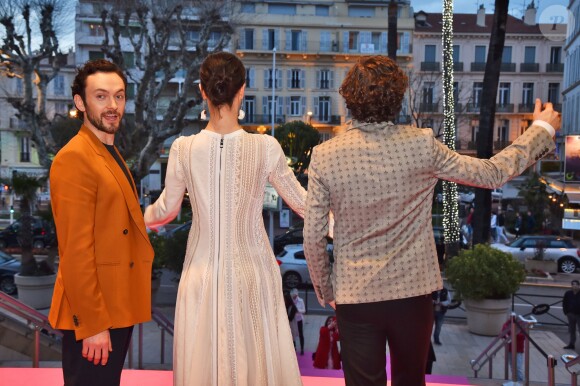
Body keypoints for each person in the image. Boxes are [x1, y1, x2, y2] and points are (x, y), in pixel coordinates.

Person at [303, 55, 560, 386]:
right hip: (413, 296)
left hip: (355, 297)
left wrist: (327, 290)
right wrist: (541, 129)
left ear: (349, 98)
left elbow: (313, 237)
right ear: (397, 99)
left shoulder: (326, 155)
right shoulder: (421, 144)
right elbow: (492, 172)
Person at [144, 52, 306, 385]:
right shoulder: (266, 147)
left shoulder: (183, 148)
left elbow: (165, 210)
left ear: (202, 91)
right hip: (254, 275)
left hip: (200, 277)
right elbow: (306, 205)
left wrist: (132, 216)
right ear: (242, 89)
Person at [48, 59, 154, 386]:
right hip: (95, 316)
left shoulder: (108, 151)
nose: (113, 106)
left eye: (119, 96)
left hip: (116, 305)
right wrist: (93, 325)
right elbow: (76, 251)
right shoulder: (74, 158)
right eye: (101, 96)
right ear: (80, 102)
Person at [563, 280, 580, 349]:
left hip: (579, 315)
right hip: (571, 314)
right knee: (572, 330)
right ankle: (571, 344)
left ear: (579, 285)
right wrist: (566, 312)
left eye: (576, 284)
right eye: (573, 284)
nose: (574, 286)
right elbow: (565, 303)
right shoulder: (568, 293)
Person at [290, 288, 306, 355]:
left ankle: (302, 348)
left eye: (295, 296)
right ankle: (294, 347)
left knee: (300, 334)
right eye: (293, 296)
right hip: (293, 320)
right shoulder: (291, 301)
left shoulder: (300, 301)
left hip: (299, 319)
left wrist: (298, 311)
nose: (294, 297)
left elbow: (304, 310)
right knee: (293, 334)